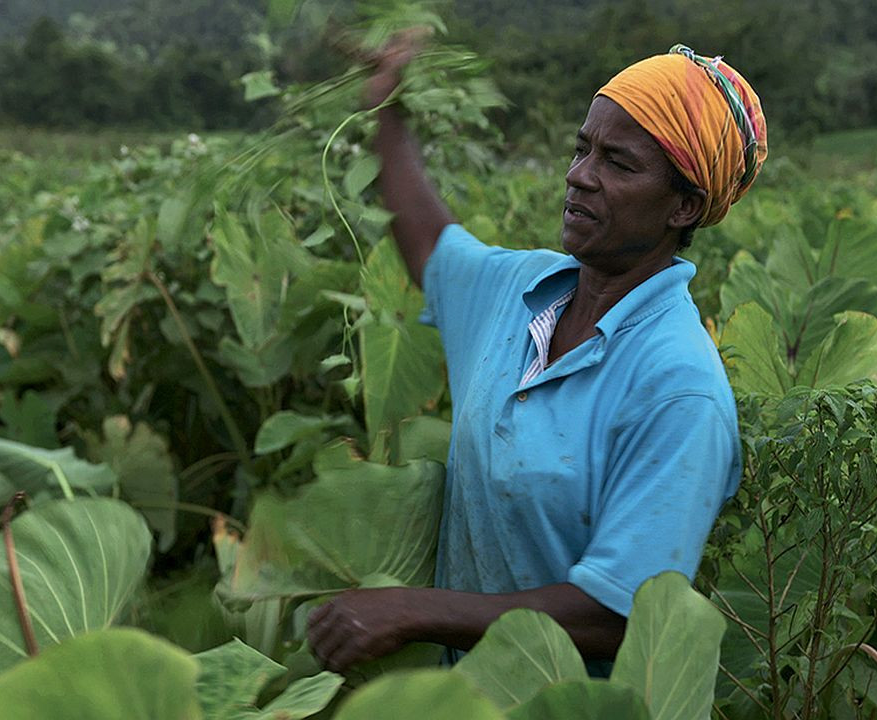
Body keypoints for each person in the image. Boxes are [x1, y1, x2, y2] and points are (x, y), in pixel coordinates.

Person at [307, 33, 768, 674]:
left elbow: (614, 614)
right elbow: (429, 240)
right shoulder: (519, 293)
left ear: (684, 206)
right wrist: (389, 103)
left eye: (618, 163)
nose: (580, 175)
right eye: (583, 149)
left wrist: (412, 609)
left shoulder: (677, 387)